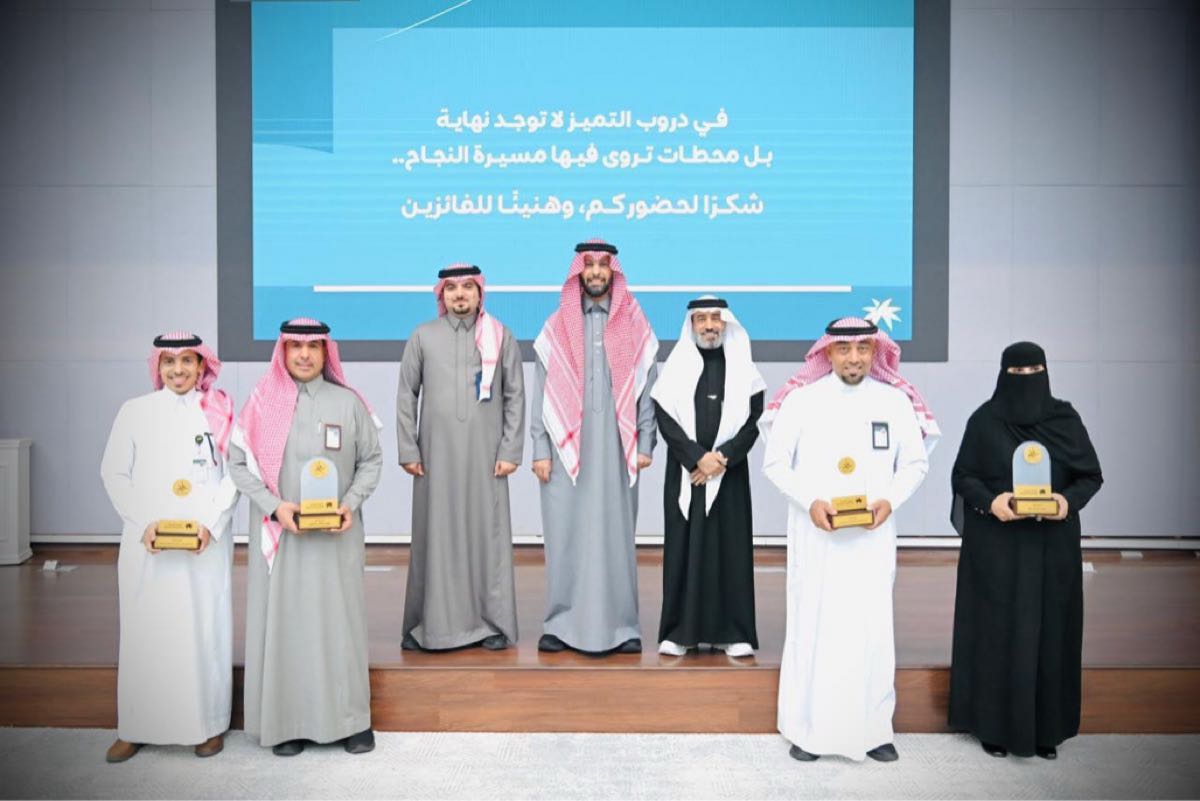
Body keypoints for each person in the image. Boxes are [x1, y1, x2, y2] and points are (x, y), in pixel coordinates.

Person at [762, 316, 939, 763]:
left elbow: (915, 463)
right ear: (828, 352)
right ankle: (807, 731)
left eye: (863, 349)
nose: (854, 358)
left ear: (876, 352)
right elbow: (775, 464)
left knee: (872, 629)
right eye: (844, 349)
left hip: (871, 539)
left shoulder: (894, 401)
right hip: (817, 538)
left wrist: (890, 500)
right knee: (815, 627)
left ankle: (875, 730)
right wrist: (810, 501)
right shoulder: (802, 400)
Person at [228, 318, 383, 756]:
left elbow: (371, 460)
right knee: (288, 626)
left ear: (325, 352)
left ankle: (352, 722)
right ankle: (288, 724)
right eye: (295, 347)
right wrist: (274, 506)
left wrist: (349, 503)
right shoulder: (262, 404)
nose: (304, 355)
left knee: (341, 626)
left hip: (338, 537)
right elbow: (238, 465)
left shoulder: (348, 402)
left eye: (314, 347)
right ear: (282, 351)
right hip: (285, 537)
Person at [948, 341, 1103, 760]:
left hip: (1052, 548)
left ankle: (1047, 730)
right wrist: (991, 501)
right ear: (1002, 375)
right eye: (1016, 373)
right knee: (997, 632)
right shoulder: (984, 421)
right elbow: (963, 476)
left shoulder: (1065, 419)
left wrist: (1066, 502)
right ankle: (992, 728)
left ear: (1046, 373)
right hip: (997, 547)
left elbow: (1090, 475)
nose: (1025, 381)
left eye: (1033, 372)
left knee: (1051, 633)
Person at [99, 331, 238, 762]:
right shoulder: (135, 411)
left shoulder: (219, 410)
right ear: (157, 367)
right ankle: (136, 727)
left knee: (204, 632)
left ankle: (207, 726)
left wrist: (210, 525)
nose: (178, 370)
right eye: (169, 361)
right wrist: (143, 523)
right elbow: (113, 472)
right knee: (146, 634)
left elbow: (236, 474)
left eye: (187, 361)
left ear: (202, 366)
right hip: (148, 544)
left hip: (203, 545)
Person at [530, 239, 659, 655]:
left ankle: (623, 627)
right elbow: (542, 391)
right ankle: (560, 625)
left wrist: (645, 439)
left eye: (604, 264)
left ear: (613, 271)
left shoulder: (634, 322)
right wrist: (540, 447)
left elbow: (647, 387)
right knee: (564, 535)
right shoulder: (557, 325)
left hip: (618, 449)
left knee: (616, 538)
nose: (597, 271)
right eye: (589, 265)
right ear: (579, 272)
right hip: (565, 453)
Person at [396, 264, 525, 651]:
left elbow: (515, 396)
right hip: (434, 457)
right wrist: (408, 448)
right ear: (442, 295)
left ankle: (491, 624)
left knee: (486, 537)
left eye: (468, 286)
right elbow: (406, 395)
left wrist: (510, 449)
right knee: (435, 535)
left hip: (487, 457)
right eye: (451, 288)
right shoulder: (422, 336)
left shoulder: (501, 336)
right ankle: (430, 626)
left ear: (479, 292)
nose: (460, 294)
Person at [650, 296, 765, 658]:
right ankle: (679, 633)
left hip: (729, 476)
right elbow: (665, 419)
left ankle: (733, 633)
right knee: (683, 551)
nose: (710, 325)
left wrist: (722, 458)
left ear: (726, 323)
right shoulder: (676, 367)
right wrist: (696, 458)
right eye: (702, 319)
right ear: (692, 325)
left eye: (716, 318)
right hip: (687, 475)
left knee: (730, 552)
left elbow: (754, 422)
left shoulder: (744, 369)